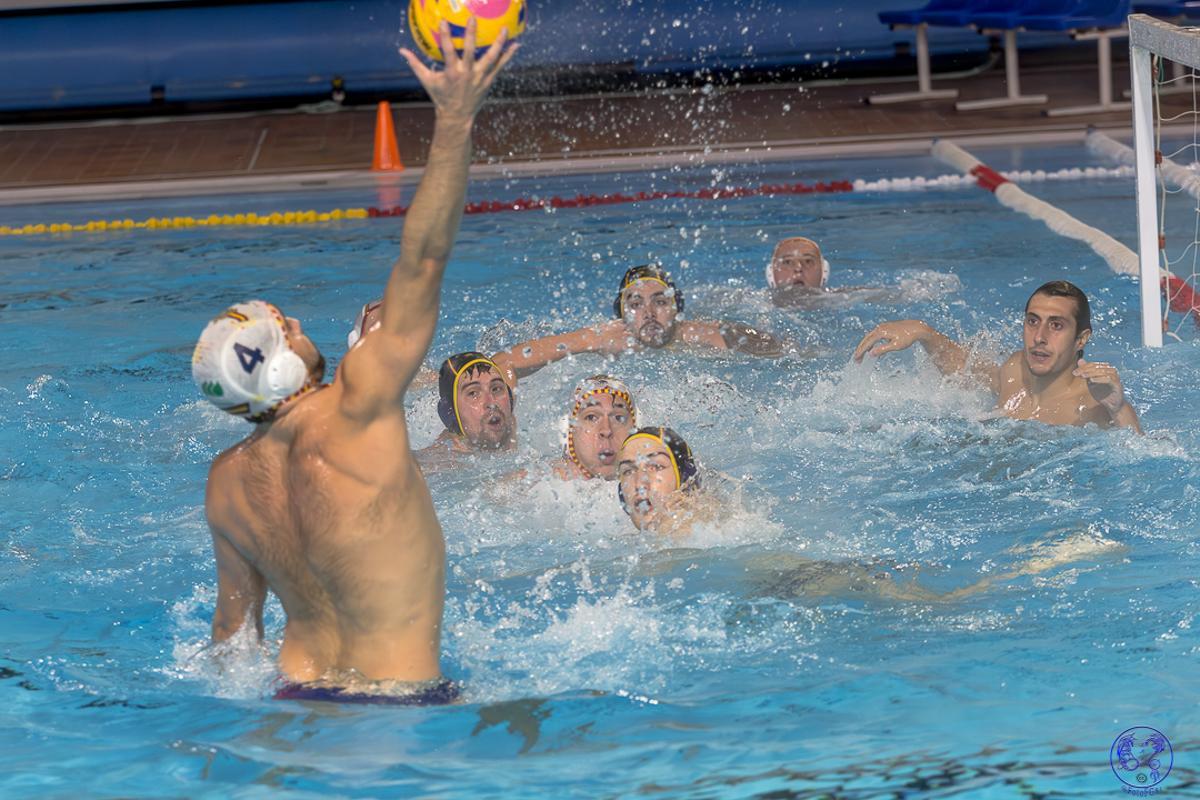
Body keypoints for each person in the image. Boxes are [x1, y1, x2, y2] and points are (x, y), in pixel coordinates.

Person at [190, 21, 518, 705]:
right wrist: (455, 120)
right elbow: (424, 258)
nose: (302, 326)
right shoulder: (358, 404)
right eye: (288, 329)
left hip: (297, 701)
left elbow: (230, 638)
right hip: (404, 707)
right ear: (280, 369)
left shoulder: (226, 485)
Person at [614, 429, 1123, 599]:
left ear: (685, 484)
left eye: (656, 467)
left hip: (801, 578)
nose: (640, 480)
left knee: (941, 606)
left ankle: (1047, 560)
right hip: (772, 586)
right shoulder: (646, 532)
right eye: (627, 470)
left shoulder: (690, 517)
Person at [853, 280, 1142, 433]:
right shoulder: (1016, 369)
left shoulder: (1092, 405)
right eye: (1032, 321)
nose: (1039, 336)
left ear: (1081, 338)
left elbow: (1141, 456)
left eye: (1056, 325)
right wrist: (924, 333)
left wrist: (1118, 408)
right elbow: (967, 372)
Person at [491, 264, 791, 382]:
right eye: (635, 304)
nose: (648, 313)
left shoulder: (711, 335)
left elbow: (788, 354)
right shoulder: (602, 338)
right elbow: (510, 360)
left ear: (676, 309)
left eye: (660, 302)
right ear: (621, 316)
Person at [417, 352, 516, 464]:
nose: (492, 402)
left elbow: (507, 361)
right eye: (473, 393)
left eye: (496, 388)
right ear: (451, 413)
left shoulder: (506, 413)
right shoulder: (444, 460)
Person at [553, 375, 637, 480]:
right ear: (570, 431)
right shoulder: (540, 484)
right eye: (591, 417)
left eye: (618, 418)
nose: (606, 430)